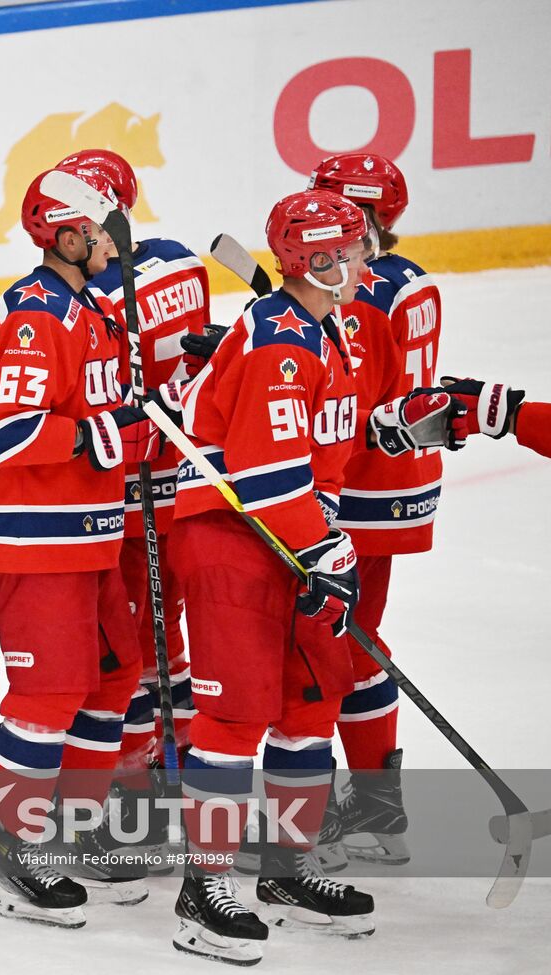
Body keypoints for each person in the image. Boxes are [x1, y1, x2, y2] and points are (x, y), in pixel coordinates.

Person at [168, 189, 458, 963]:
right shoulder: (282, 344)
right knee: (233, 715)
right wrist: (327, 552)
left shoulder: (320, 331)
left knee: (309, 700)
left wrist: (389, 424)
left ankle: (286, 867)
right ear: (320, 261)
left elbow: (318, 437)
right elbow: (265, 474)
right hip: (237, 538)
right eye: (354, 249)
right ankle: (203, 888)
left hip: (293, 538)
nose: (369, 259)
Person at [0, 165, 161, 927]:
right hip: (36, 541)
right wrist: (113, 432)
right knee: (45, 699)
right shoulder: (33, 313)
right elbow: (8, 433)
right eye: (101, 226)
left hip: (90, 533)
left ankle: (76, 831)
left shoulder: (91, 307)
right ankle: (15, 854)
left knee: (115, 675)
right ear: (67, 233)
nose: (116, 237)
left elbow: (100, 409)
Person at [70, 147, 207, 864]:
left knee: (123, 653)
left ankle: (130, 796)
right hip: (181, 493)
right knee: (168, 639)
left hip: (121, 500)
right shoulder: (183, 263)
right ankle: (177, 773)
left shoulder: (93, 300)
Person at [308, 154, 443, 863]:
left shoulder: (358, 289)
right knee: (356, 634)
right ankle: (375, 799)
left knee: (338, 642)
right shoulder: (413, 279)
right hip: (403, 482)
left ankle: (355, 803)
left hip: (356, 484)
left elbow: (343, 401)